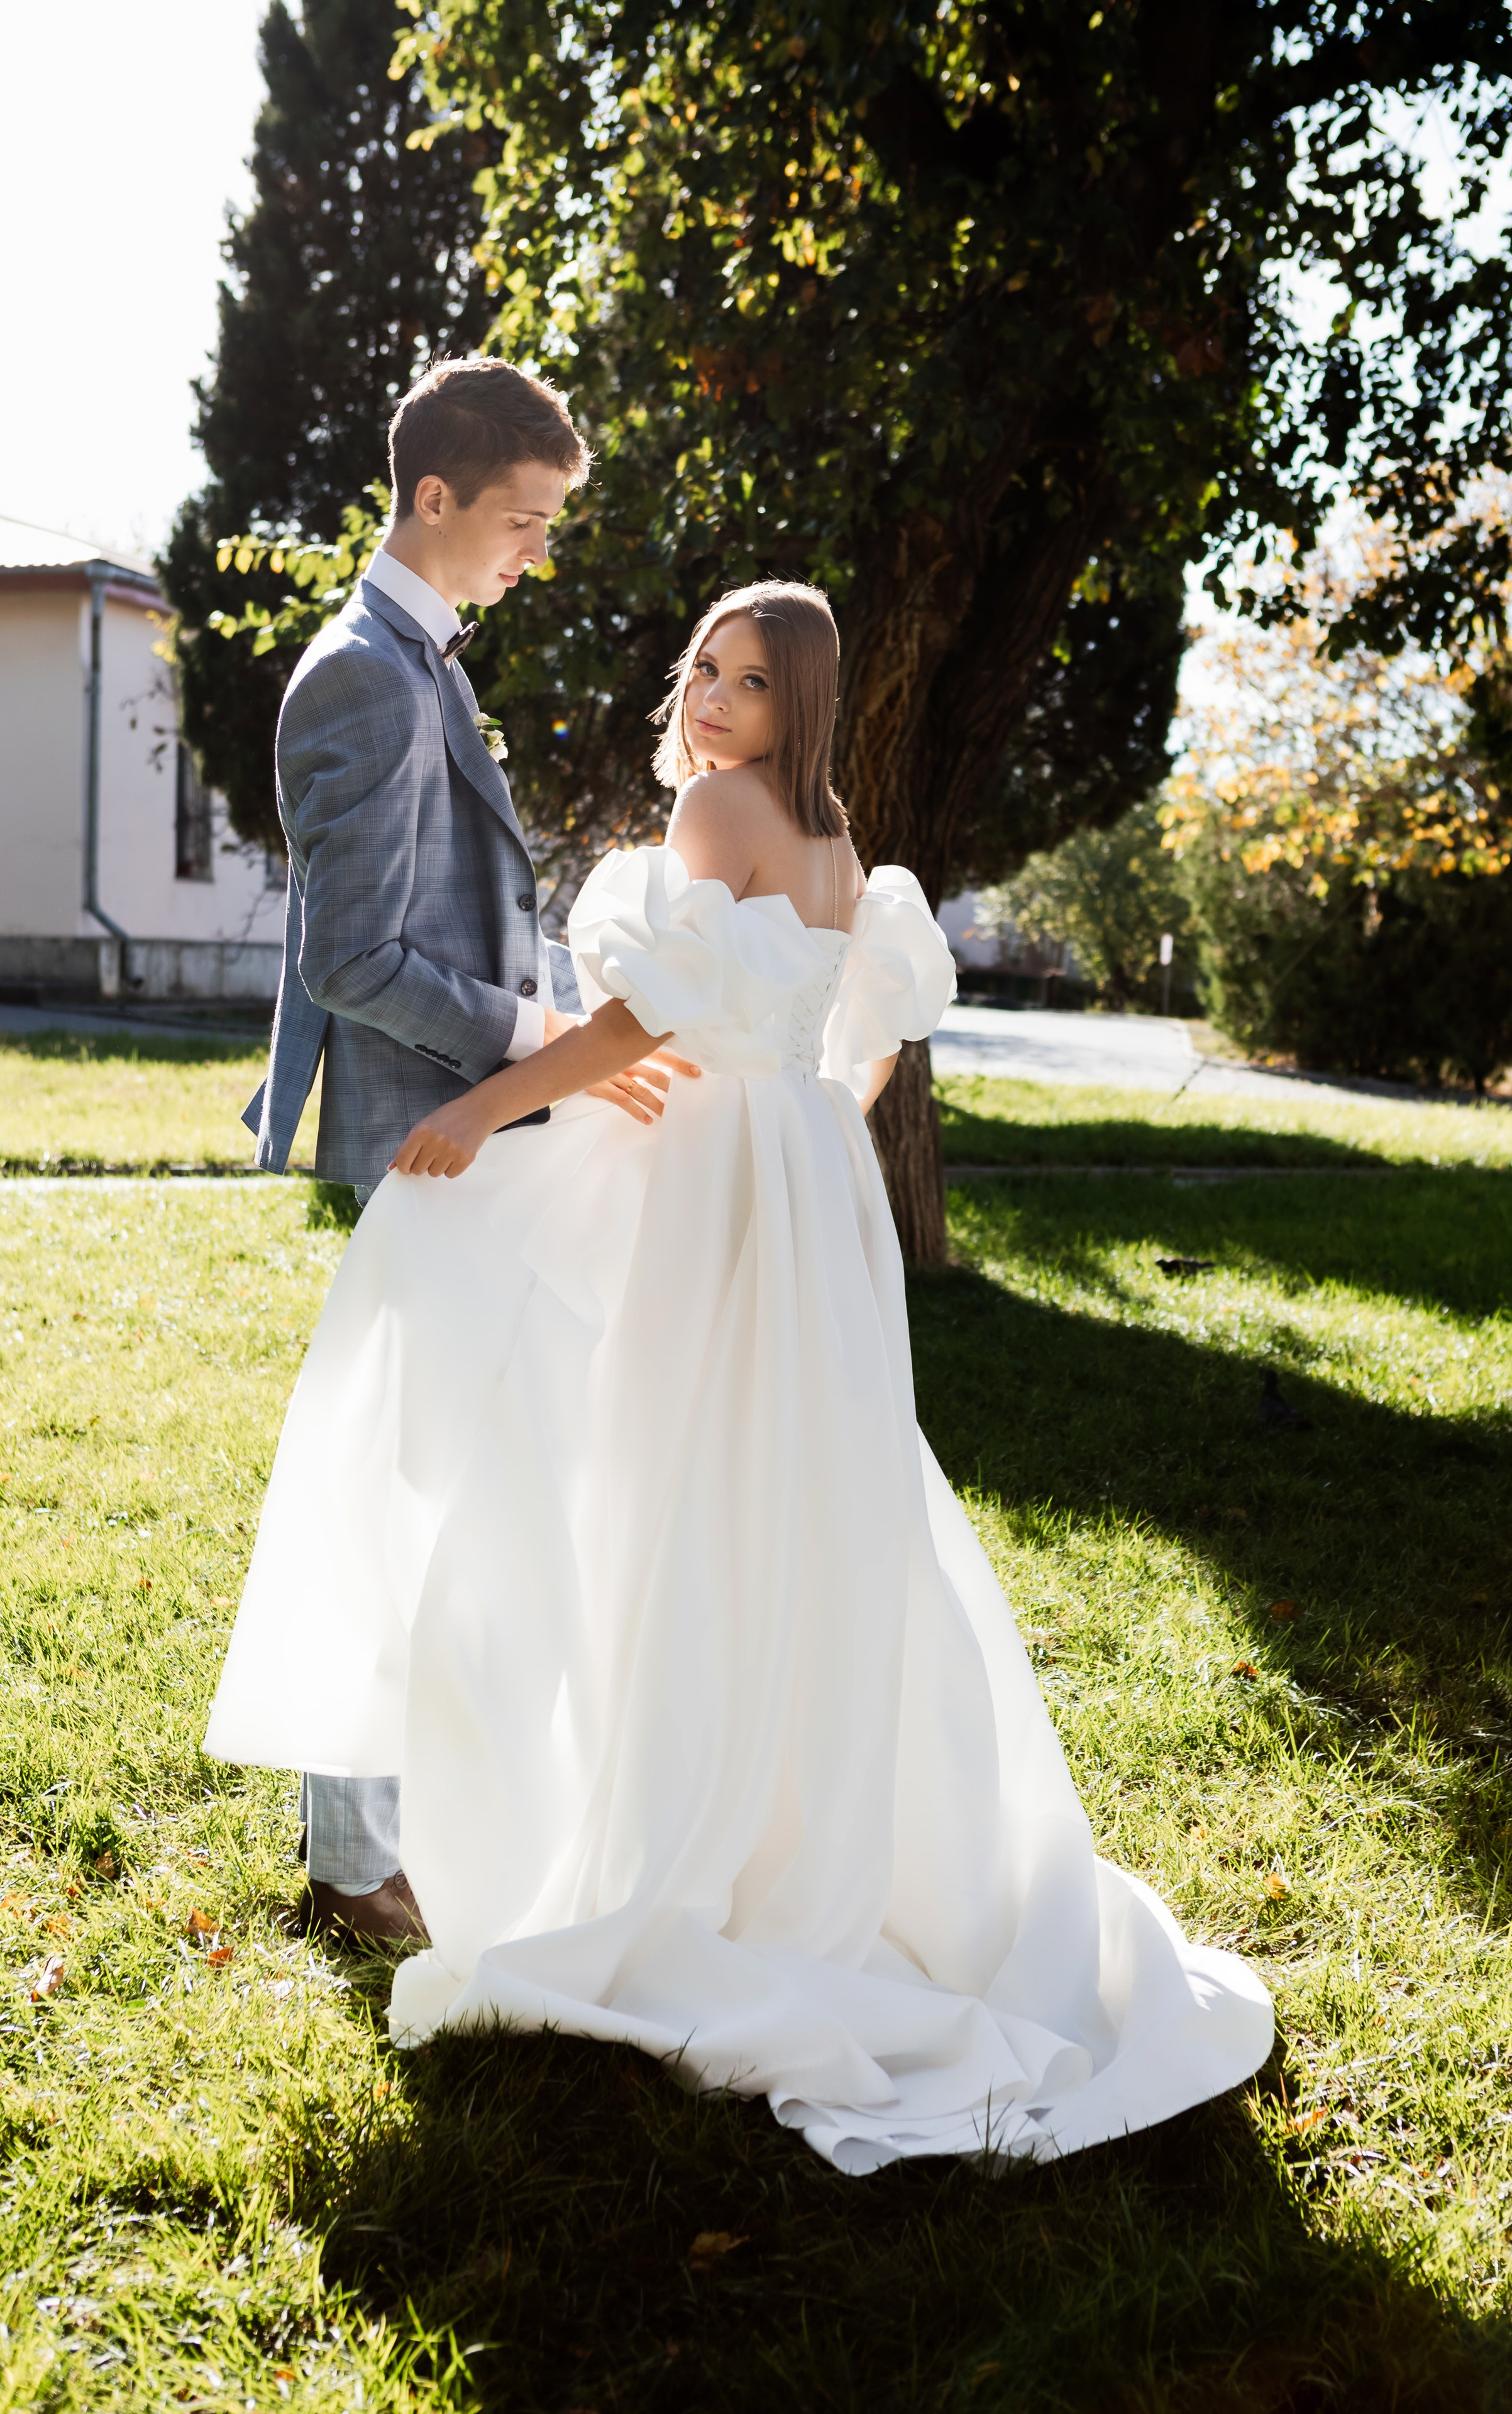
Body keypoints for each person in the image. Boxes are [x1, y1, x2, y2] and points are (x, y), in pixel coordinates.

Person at [207, 580, 1273, 2170]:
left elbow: (647, 1013)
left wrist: (487, 1105)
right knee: (794, 1490)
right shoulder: (841, 849)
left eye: (751, 681)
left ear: (802, 705)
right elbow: (871, 1036)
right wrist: (800, 1116)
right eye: (703, 667)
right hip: (799, 1180)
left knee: (672, 1483)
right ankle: (783, 1820)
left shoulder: (718, 814)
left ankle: (674, 1841)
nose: (709, 699)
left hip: (722, 1180)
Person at [241, 356, 692, 1944]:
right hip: (427, 1141)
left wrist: (567, 1037)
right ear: (432, 496)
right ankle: (353, 1865)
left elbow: (459, 912)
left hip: (477, 1132)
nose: (537, 553)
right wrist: (529, 1042)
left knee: (463, 1495)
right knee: (402, 1510)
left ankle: (416, 1823)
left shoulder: (421, 660)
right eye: (523, 520)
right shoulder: (365, 677)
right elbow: (353, 959)